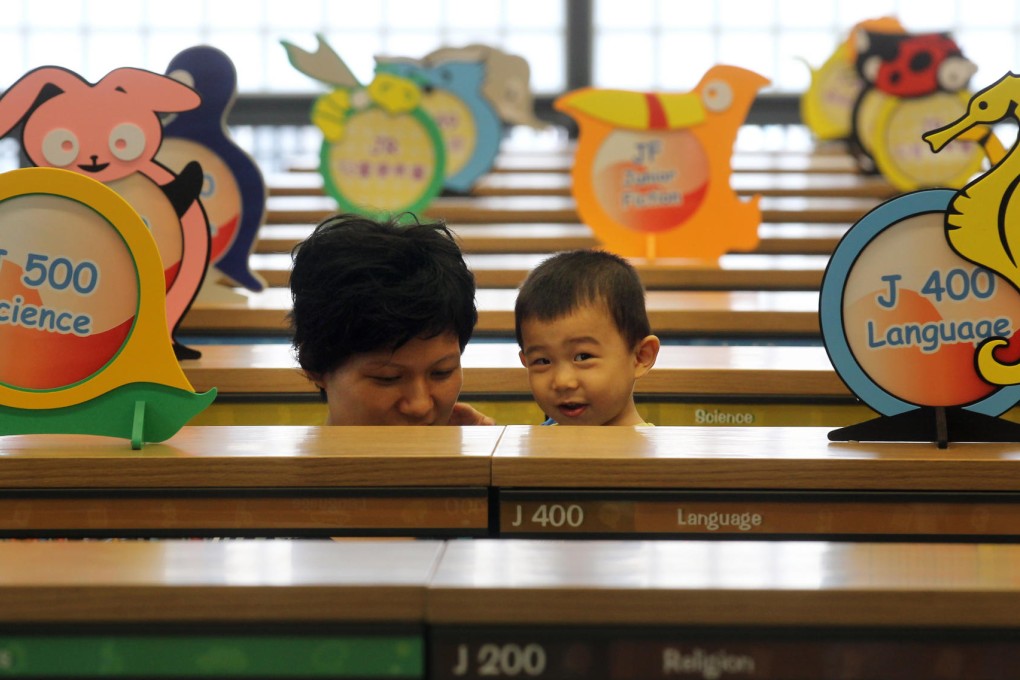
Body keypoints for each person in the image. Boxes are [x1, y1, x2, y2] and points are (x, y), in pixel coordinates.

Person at [289, 213, 494, 426]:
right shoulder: (263, 459)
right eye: (388, 378)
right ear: (314, 367)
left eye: (441, 373)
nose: (420, 405)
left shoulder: (479, 448)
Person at [514, 249, 660, 426]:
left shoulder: (651, 452)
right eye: (543, 361)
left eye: (583, 357)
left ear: (640, 357)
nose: (562, 382)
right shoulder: (533, 446)